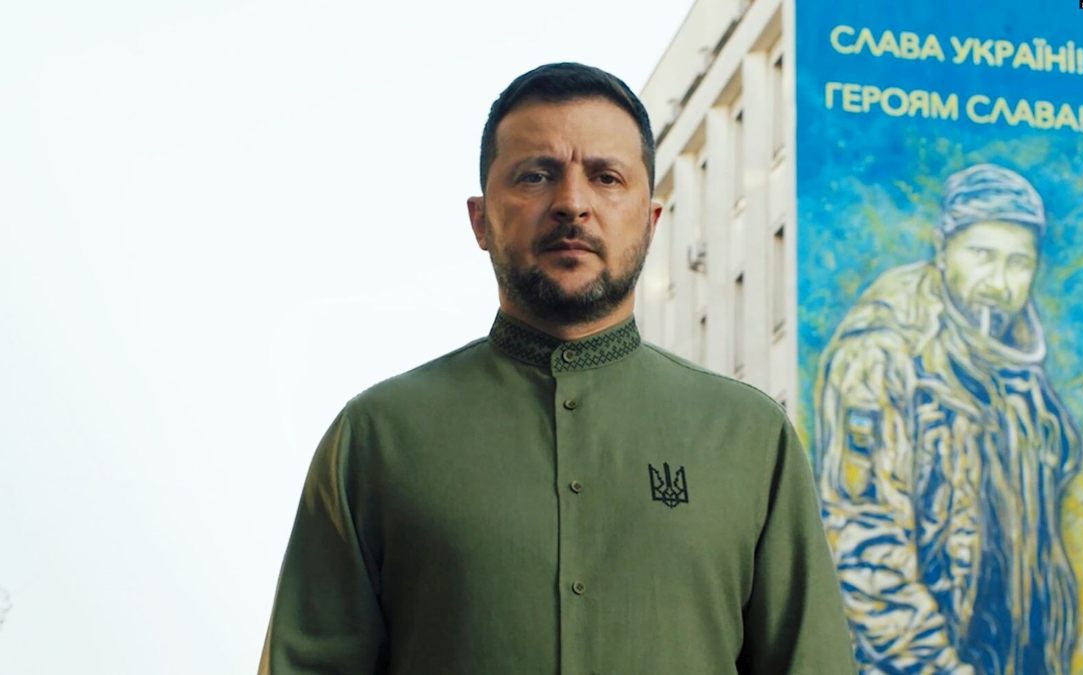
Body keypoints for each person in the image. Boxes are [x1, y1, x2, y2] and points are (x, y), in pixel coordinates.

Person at [258, 62, 854, 674]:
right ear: (480, 220)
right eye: (536, 175)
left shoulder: (750, 437)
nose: (572, 204)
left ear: (650, 221)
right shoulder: (377, 438)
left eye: (606, 177)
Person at [813, 164, 1081, 674]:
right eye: (982, 255)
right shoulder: (880, 355)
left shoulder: (1020, 371)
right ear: (942, 248)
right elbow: (866, 542)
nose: (998, 282)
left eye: (1018, 263)